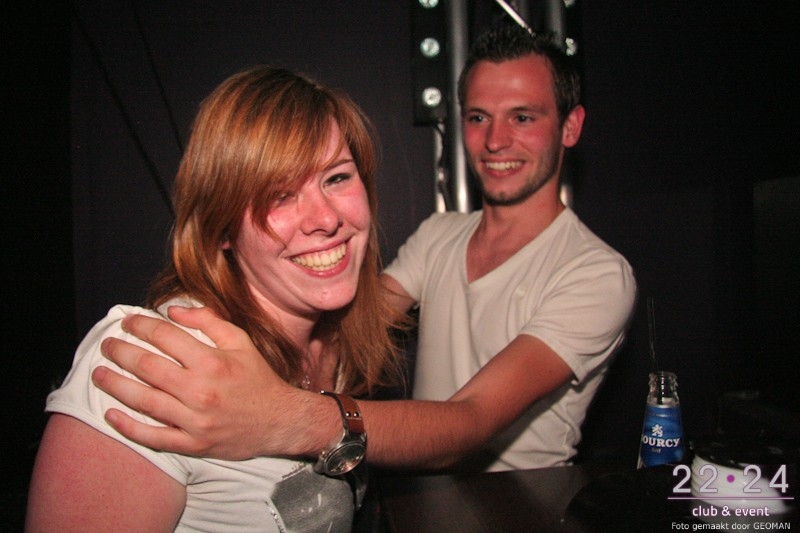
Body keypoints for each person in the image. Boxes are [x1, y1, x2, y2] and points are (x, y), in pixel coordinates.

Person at [87, 24, 637, 472]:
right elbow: (347, 325)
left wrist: (283, 414)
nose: (495, 141)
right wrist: (218, 333)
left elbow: (470, 421)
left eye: (523, 117)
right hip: (415, 507)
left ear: (570, 127)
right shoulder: (440, 235)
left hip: (523, 513)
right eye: (477, 118)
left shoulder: (596, 273)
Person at [26, 66, 405, 532]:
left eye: (337, 178)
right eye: (279, 195)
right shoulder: (151, 364)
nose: (325, 219)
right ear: (221, 229)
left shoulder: (332, 343)